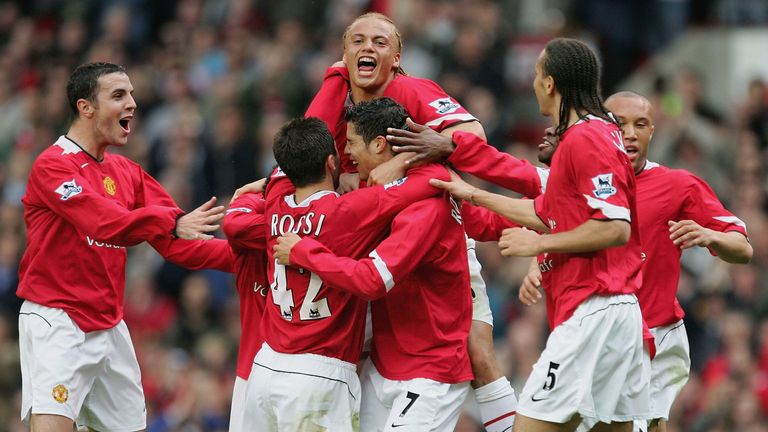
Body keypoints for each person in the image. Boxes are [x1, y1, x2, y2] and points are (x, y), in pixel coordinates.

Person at [422, 38, 651, 432]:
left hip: (593, 311)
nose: (532, 84)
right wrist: (474, 194)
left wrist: (539, 243)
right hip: (616, 315)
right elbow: (545, 213)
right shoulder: (593, 135)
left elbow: (615, 227)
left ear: (549, 84)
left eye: (536, 75)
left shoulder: (586, 139)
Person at [306, 13, 518, 431]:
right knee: (362, 344)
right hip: (375, 241)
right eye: (359, 41)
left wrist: (400, 162)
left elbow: (472, 132)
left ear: (398, 58)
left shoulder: (410, 90)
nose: (369, 48)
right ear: (344, 55)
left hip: (432, 228)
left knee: (475, 350)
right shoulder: (340, 102)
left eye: (380, 42)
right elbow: (303, 156)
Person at [17, 62, 232, 432]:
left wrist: (250, 258)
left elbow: (178, 242)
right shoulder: (52, 166)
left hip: (109, 325)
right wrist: (170, 222)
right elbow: (103, 222)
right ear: (86, 107)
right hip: (57, 321)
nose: (132, 103)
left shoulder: (126, 172)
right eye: (119, 95)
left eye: (131, 94)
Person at [274, 97, 474, 432]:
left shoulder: (425, 207)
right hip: (383, 365)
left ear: (380, 144)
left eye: (350, 143)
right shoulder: (383, 185)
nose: (345, 155)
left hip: (429, 370)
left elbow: (371, 281)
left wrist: (303, 252)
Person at [602, 91, 752, 432]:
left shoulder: (677, 184)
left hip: (658, 336)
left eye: (640, 124)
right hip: (602, 335)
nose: (630, 133)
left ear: (652, 131)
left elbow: (742, 248)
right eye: (619, 124)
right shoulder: (580, 185)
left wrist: (711, 236)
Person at [221, 180, 270, 432]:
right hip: (253, 369)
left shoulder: (337, 213)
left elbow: (234, 224)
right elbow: (233, 226)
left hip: (307, 368)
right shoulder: (329, 220)